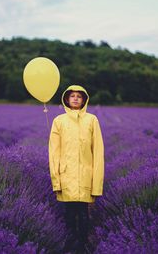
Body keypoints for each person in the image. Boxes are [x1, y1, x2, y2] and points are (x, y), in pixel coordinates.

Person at [48, 85, 104, 253]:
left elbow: (98, 152)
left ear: (84, 99)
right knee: (69, 213)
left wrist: (97, 184)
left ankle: (83, 245)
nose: (75, 98)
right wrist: (56, 180)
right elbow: (53, 153)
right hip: (66, 175)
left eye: (79, 96)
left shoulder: (92, 120)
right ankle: (70, 244)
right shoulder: (59, 121)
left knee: (84, 213)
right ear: (66, 99)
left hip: (86, 175)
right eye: (72, 96)